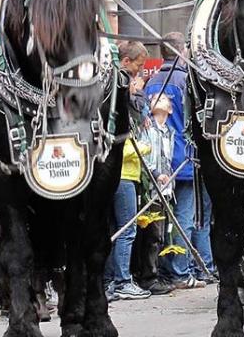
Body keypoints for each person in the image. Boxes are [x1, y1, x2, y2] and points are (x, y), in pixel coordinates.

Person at [145, 32, 213, 288]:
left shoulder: (152, 82)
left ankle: (181, 266)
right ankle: (188, 268)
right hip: (187, 157)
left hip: (160, 161)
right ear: (182, 52)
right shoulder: (187, 81)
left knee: (169, 218)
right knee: (194, 216)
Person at [105, 41, 153, 301]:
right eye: (139, 65)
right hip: (123, 172)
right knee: (126, 229)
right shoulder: (119, 96)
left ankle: (113, 279)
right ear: (126, 62)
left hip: (127, 173)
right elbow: (121, 143)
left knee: (117, 229)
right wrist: (144, 149)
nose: (141, 71)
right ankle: (122, 280)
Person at [132, 93, 178, 295]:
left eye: (164, 99)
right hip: (151, 188)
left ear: (170, 109)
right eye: (156, 99)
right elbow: (143, 153)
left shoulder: (170, 132)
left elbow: (168, 158)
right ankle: (147, 276)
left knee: (162, 234)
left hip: (166, 188)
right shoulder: (147, 128)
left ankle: (157, 272)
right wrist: (156, 174)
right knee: (151, 233)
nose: (159, 99)